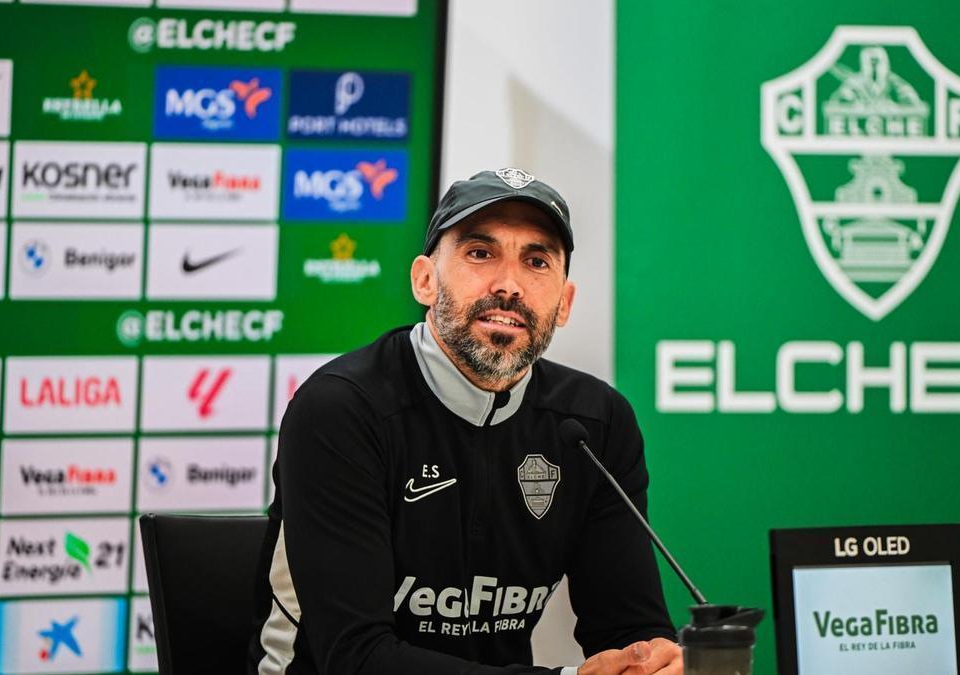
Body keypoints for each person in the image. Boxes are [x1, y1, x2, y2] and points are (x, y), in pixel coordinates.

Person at [248, 169, 682, 674]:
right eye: (480, 253)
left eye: (536, 261)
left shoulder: (594, 423)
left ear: (563, 304)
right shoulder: (342, 410)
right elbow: (356, 658)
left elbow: (628, 629)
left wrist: (649, 662)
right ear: (424, 280)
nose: (509, 285)